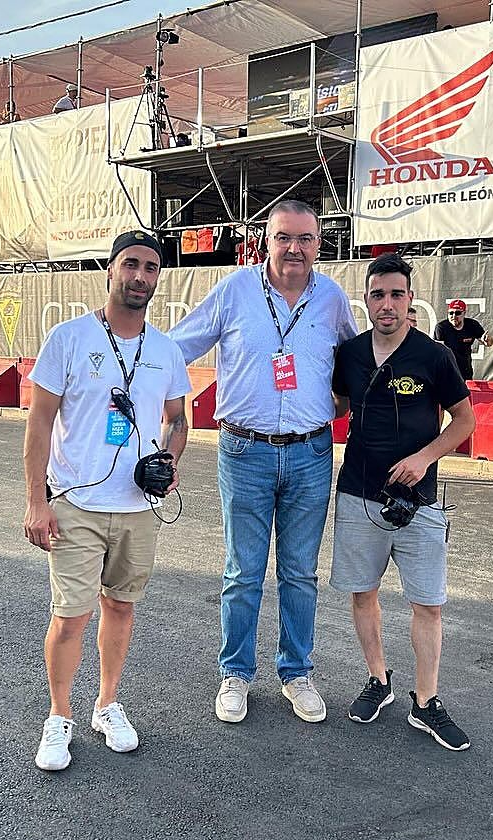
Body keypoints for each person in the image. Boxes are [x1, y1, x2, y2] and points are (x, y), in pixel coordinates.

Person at [171, 200, 358, 725]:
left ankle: (296, 672)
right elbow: (179, 345)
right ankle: (235, 674)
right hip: (244, 451)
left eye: (305, 238)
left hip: (311, 453)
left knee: (300, 573)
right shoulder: (234, 291)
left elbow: (357, 360)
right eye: (283, 238)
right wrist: (120, 359)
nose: (294, 249)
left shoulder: (332, 299)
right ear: (264, 240)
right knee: (242, 571)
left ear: (320, 243)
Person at [23, 231, 191, 770]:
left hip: (138, 507)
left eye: (150, 268)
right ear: (112, 269)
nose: (140, 276)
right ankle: (58, 716)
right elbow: (40, 421)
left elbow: (178, 419)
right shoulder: (69, 338)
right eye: (131, 265)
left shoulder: (165, 349)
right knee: (69, 616)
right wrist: (36, 500)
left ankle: (107, 703)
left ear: (157, 279)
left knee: (120, 606)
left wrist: (169, 461)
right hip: (74, 501)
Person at [331, 254, 475, 751]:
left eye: (396, 294)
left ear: (411, 300)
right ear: (366, 300)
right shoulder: (348, 353)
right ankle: (378, 680)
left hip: (420, 502)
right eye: (377, 295)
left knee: (428, 606)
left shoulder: (434, 355)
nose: (386, 304)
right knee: (363, 593)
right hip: (358, 495)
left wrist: (424, 458)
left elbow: (464, 421)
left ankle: (427, 702)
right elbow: (337, 406)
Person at [432, 299, 491, 381]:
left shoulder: (472, 325)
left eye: (458, 313)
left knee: (465, 392)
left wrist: (487, 340)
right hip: (447, 369)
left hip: (465, 370)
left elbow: (488, 343)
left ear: (464, 313)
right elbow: (437, 352)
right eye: (451, 313)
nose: (453, 316)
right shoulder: (441, 327)